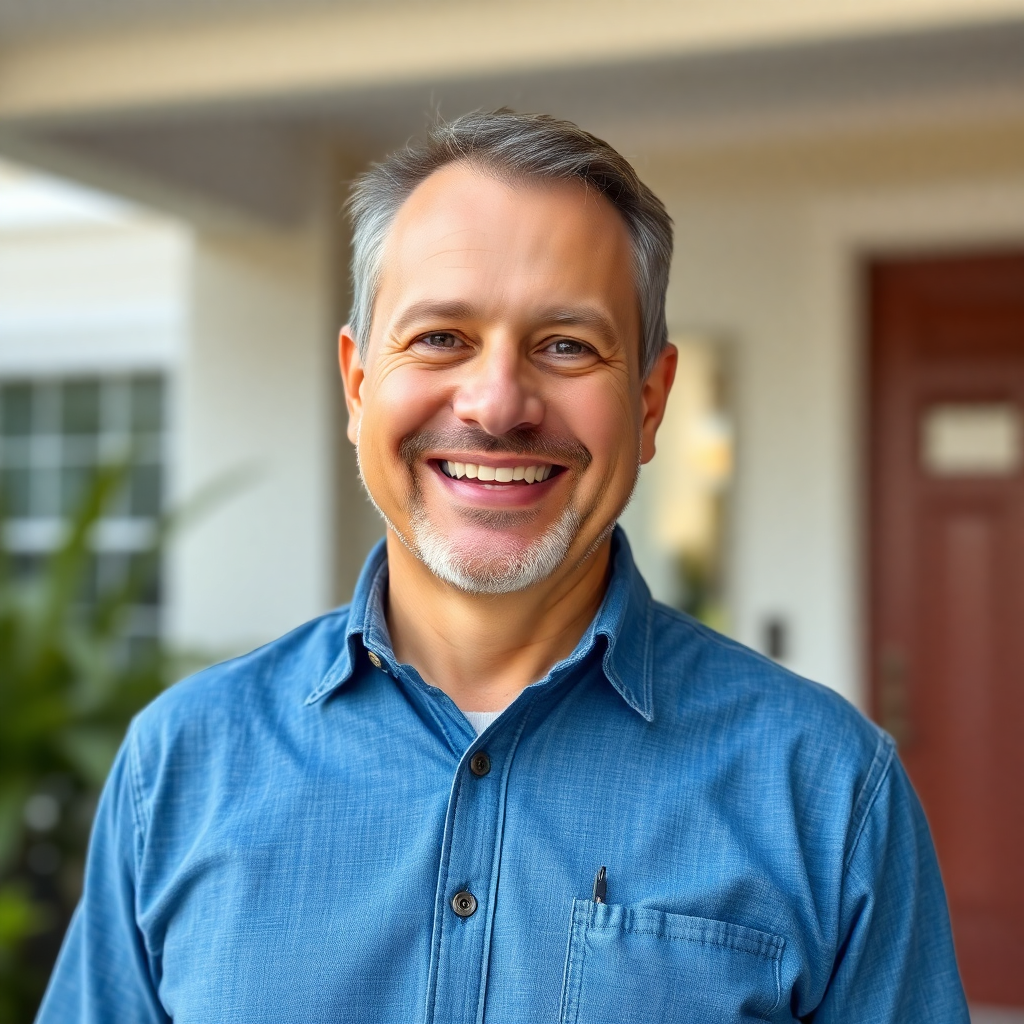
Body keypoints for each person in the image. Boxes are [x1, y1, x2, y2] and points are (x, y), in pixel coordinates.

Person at [37, 110, 968, 1024]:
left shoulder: (828, 791)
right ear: (359, 384)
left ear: (649, 404)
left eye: (566, 345)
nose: (496, 404)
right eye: (441, 337)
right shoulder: (182, 766)